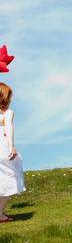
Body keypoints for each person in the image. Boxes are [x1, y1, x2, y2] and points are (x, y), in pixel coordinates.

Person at [0, 83, 26, 222]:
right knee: (10, 177)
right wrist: (12, 146)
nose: (10, 101)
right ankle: (0, 214)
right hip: (3, 149)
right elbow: (9, 127)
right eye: (8, 98)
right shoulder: (8, 114)